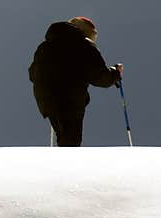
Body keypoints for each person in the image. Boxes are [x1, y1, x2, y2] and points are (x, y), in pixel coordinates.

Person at [28, 16, 122, 147]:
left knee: (64, 136)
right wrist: (115, 73)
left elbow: (32, 73)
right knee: (71, 141)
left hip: (46, 100)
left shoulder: (45, 46)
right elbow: (101, 78)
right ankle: (66, 166)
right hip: (70, 99)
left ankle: (60, 164)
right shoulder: (83, 46)